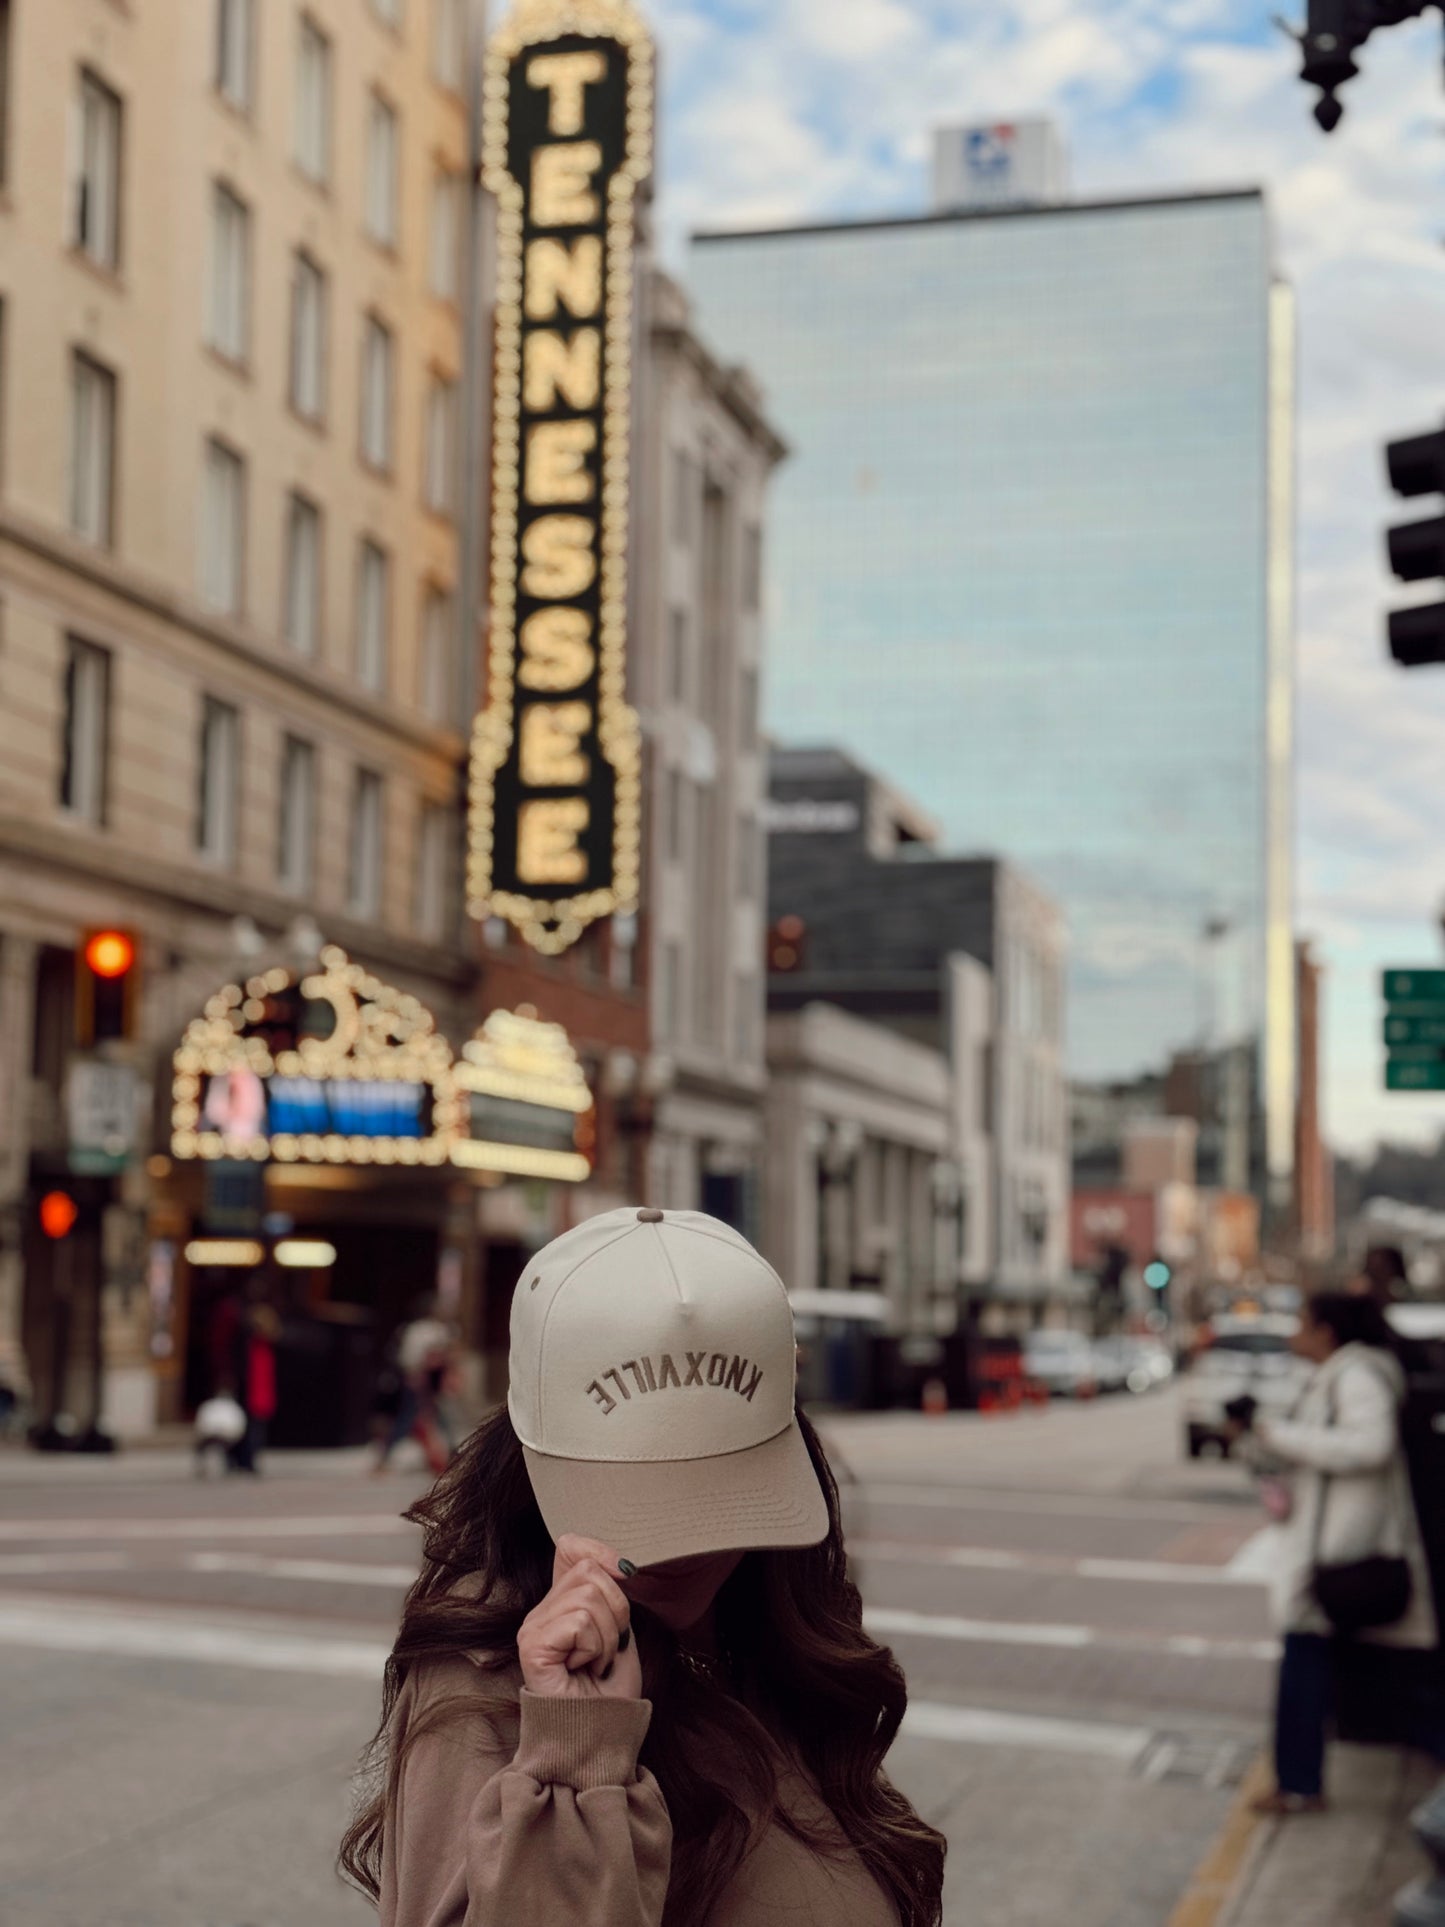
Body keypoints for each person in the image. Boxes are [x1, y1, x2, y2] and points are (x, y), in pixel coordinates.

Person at [341, 1207, 946, 1926]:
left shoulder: (765, 1632)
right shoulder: (487, 1674)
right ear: (530, 1464)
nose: (681, 1549)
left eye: (722, 1496)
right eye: (634, 1496)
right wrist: (577, 1754)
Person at [1229, 1292, 1438, 1815]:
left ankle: (1299, 1783)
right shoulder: (1331, 1378)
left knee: (1379, 1679)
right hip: (1333, 1554)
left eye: (1302, 1322)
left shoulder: (1357, 1376)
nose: (1293, 1334)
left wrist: (1280, 1435)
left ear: (1326, 1330)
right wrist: (1257, 1440)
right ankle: (1297, 1782)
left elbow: (1370, 1446)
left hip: (1351, 1556)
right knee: (1369, 1675)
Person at [373, 1296, 455, 1476]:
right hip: (419, 1380)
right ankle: (384, 1457)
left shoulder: (440, 1329)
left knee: (442, 1419)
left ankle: (451, 1456)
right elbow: (411, 1358)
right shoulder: (419, 1330)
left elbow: (447, 1357)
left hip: (434, 1382)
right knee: (407, 1418)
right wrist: (415, 1376)